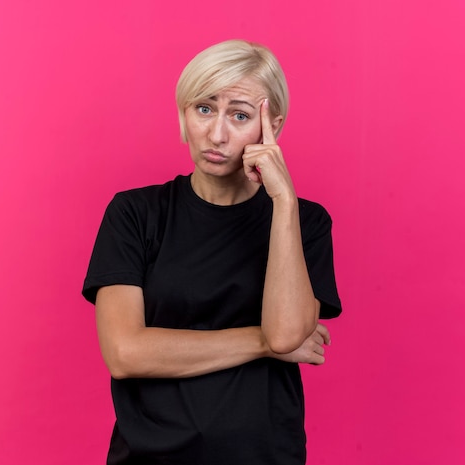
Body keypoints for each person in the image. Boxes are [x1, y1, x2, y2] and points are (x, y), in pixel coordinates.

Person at [82, 39, 342, 465]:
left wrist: (285, 202)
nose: (216, 134)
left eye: (240, 115)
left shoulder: (305, 222)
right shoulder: (136, 214)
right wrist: (262, 343)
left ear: (271, 126)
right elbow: (124, 353)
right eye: (204, 108)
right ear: (184, 113)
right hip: (148, 455)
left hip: (265, 454)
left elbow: (286, 333)